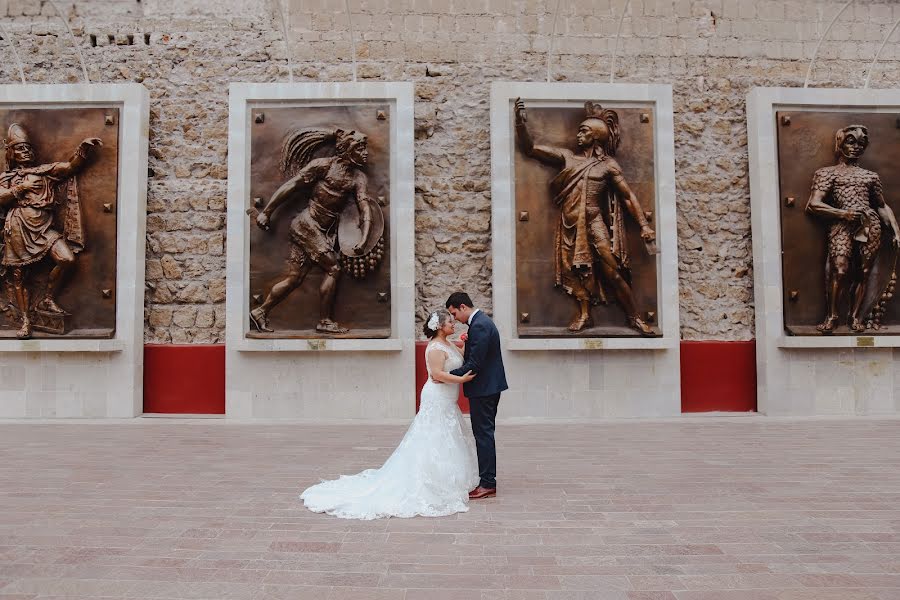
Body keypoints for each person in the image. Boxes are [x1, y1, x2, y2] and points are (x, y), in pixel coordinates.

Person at [300, 309, 478, 519]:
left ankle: (448, 479)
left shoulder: (448, 344)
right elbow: (437, 374)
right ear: (439, 326)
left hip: (448, 399)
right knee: (433, 437)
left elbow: (457, 363)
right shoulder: (435, 348)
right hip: (437, 398)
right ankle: (431, 481)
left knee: (446, 437)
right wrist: (462, 380)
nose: (453, 324)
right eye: (450, 322)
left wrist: (464, 346)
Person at [514, 98, 656, 335]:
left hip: (593, 221)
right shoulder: (568, 158)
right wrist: (521, 125)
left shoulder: (607, 166)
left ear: (596, 137)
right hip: (569, 224)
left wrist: (644, 225)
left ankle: (634, 317)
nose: (578, 135)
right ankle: (585, 315)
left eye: (584, 131)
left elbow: (628, 196)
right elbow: (532, 149)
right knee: (577, 271)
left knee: (612, 271)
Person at [251, 128, 374, 334]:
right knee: (334, 269)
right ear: (346, 149)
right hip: (306, 225)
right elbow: (292, 186)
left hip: (324, 231)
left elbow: (365, 208)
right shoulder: (323, 166)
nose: (365, 153)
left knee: (294, 279)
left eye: (365, 148)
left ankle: (261, 311)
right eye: (360, 148)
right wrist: (267, 212)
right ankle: (325, 321)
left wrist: (365, 237)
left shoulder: (358, 178)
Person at [0, 123, 102, 338]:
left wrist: (82, 150)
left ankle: (47, 298)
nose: (26, 151)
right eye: (20, 148)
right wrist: (20, 188)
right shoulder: (6, 179)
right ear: (11, 153)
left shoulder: (46, 172)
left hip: (45, 228)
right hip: (18, 227)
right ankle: (26, 321)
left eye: (28, 148)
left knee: (66, 259)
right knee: (19, 276)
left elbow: (70, 167)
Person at [805, 124, 900, 333]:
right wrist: (843, 214)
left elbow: (882, 206)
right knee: (839, 269)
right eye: (851, 141)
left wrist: (895, 230)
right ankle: (832, 317)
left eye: (861, 144)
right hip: (841, 224)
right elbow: (813, 204)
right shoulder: (826, 173)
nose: (856, 147)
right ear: (840, 143)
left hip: (869, 224)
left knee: (863, 272)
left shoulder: (870, 177)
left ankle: (855, 317)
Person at [444, 292, 508, 500]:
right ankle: (487, 480)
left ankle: (488, 483)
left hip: (484, 389)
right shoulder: (480, 323)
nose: (454, 319)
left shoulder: (479, 325)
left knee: (483, 435)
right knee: (484, 434)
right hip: (487, 387)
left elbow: (475, 365)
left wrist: (445, 376)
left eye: (454, 313)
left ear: (463, 307)